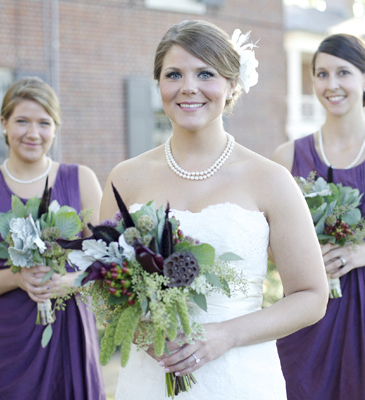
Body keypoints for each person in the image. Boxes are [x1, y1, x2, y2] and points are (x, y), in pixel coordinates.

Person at [100, 20, 329, 400]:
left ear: (232, 84)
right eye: (174, 74)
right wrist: (147, 335)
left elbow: (311, 296)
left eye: (205, 73)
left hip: (240, 378)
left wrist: (226, 334)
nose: (188, 87)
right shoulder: (125, 179)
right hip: (149, 380)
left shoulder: (270, 180)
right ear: (159, 85)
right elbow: (103, 289)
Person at [273, 34, 365, 399]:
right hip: (307, 311)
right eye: (322, 74)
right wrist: (307, 253)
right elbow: (269, 248)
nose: (332, 84)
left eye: (343, 72)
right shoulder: (286, 158)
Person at [0, 77, 106, 400]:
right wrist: (18, 278)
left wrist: (66, 281)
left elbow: (107, 262)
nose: (33, 133)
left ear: (56, 128)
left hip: (69, 332)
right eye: (22, 121)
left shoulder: (81, 179)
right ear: (4, 123)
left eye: (44, 123)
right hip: (7, 340)